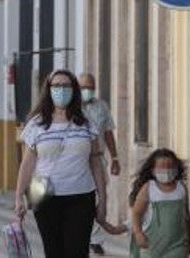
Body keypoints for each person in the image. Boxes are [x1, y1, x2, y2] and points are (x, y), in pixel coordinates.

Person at [15, 70, 109, 258]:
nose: (61, 90)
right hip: (45, 196)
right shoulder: (36, 124)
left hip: (81, 197)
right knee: (53, 251)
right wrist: (18, 197)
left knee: (77, 252)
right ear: (48, 90)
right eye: (56, 86)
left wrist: (103, 199)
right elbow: (27, 163)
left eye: (66, 86)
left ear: (74, 90)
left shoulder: (86, 123)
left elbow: (96, 162)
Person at [79, 73, 121, 255]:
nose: (87, 91)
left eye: (90, 87)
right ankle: (85, 235)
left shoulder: (101, 106)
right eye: (84, 88)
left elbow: (108, 133)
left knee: (99, 197)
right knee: (82, 198)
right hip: (78, 160)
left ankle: (94, 239)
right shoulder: (70, 108)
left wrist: (115, 158)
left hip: (98, 158)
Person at [129, 148, 190, 257]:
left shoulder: (181, 188)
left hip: (178, 245)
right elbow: (137, 213)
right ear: (153, 170)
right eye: (162, 167)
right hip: (151, 245)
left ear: (177, 168)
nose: (167, 170)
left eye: (170, 167)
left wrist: (188, 239)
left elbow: (186, 217)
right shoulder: (149, 188)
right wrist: (138, 233)